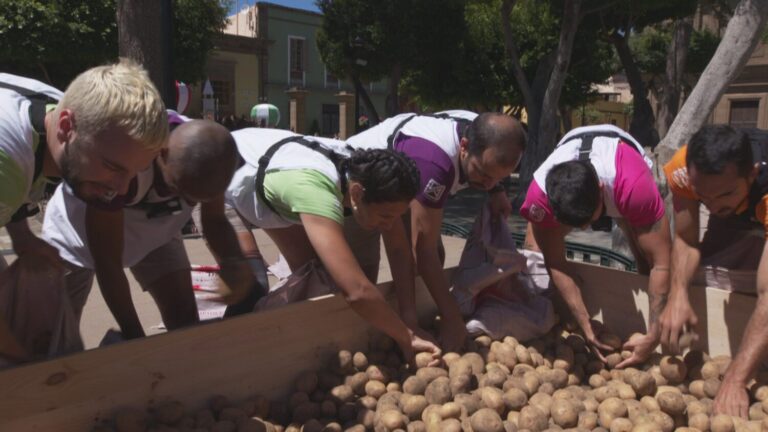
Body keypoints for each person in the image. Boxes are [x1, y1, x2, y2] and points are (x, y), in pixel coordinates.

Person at [226, 128, 440, 365]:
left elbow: (400, 251)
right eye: (385, 216)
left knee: (316, 277)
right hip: (221, 181)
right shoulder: (316, 192)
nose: (389, 225)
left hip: (273, 179)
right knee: (249, 284)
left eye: (396, 216)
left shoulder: (362, 174)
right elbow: (357, 291)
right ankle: (231, 357)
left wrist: (409, 319)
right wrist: (405, 337)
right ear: (357, 193)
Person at [0, 60, 167, 361]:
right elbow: (10, 175)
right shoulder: (7, 158)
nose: (120, 188)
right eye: (113, 167)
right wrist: (22, 364)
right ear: (66, 127)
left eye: (135, 172)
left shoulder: (61, 113)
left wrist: (21, 235)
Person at [42, 117, 253, 339]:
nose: (187, 202)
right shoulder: (122, 164)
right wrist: (134, 337)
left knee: (183, 316)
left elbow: (215, 218)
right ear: (162, 155)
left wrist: (233, 260)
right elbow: (108, 263)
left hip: (156, 231)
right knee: (54, 339)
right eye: (181, 191)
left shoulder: (209, 152)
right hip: (78, 237)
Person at [346, 111, 526, 352]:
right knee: (360, 274)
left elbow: (425, 254)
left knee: (435, 261)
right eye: (483, 173)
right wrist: (451, 319)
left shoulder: (484, 131)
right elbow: (420, 251)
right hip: (362, 193)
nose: (488, 184)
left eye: (498, 178)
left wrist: (497, 191)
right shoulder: (434, 163)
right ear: (464, 146)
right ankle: (390, 331)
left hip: (406, 182)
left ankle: (412, 321)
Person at [520, 124, 670, 368]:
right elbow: (556, 263)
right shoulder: (539, 195)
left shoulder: (634, 188)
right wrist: (584, 322)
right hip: (573, 154)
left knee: (645, 254)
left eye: (588, 221)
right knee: (536, 249)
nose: (582, 231)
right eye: (573, 225)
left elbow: (662, 264)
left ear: (602, 192)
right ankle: (543, 309)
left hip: (622, 162)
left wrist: (654, 333)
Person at [661, 125, 768, 418]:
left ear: (753, 173)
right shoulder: (684, 169)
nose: (713, 205)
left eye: (724, 194)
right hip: (744, 207)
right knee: (704, 273)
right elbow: (685, 239)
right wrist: (677, 295)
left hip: (762, 203)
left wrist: (736, 380)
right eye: (703, 197)